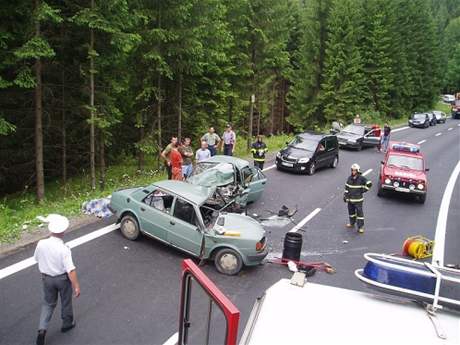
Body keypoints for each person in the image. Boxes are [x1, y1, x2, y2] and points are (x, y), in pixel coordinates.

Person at [34, 214, 80, 345]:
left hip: (47, 279)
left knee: (48, 304)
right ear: (63, 231)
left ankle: (42, 330)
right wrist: (76, 286)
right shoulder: (64, 249)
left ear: (50, 230)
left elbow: (36, 259)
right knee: (66, 301)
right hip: (62, 279)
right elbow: (70, 270)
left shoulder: (41, 243)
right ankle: (67, 324)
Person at [343, 164, 372, 234]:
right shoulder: (349, 178)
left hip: (358, 200)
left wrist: (363, 190)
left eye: (354, 170)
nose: (353, 171)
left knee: (359, 214)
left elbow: (369, 184)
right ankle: (352, 223)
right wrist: (345, 197)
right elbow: (346, 188)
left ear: (358, 171)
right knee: (351, 213)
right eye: (352, 170)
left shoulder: (361, 178)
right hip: (350, 200)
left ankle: (360, 227)